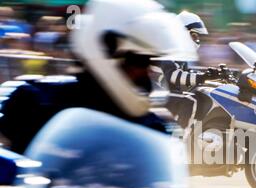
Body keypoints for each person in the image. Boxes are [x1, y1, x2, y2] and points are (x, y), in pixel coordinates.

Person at [0, 0, 197, 153]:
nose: (149, 71)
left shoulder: (151, 128)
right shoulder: (34, 102)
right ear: (108, 50)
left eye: (152, 62)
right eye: (141, 61)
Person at [155, 11, 221, 128]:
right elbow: (174, 76)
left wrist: (211, 76)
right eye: (194, 36)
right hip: (157, 95)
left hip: (164, 94)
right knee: (191, 100)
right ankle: (182, 136)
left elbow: (185, 74)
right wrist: (204, 76)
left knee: (199, 95)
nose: (197, 40)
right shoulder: (169, 49)